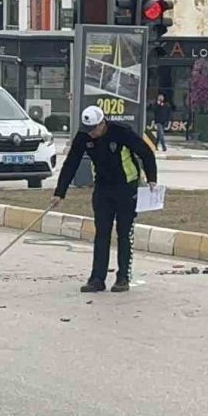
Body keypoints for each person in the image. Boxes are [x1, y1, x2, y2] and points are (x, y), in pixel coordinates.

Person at [53, 106, 157, 293]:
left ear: (102, 123)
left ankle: (123, 277)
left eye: (94, 129)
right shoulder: (84, 136)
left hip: (126, 187)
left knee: (124, 232)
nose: (91, 133)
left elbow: (146, 152)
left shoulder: (121, 132)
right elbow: (71, 163)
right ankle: (97, 278)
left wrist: (151, 179)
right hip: (102, 188)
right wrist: (59, 192)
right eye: (88, 130)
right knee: (102, 233)